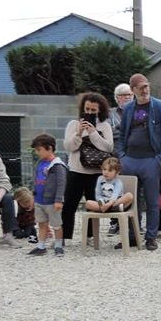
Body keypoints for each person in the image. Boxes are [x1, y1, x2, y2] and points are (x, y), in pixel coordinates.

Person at [117, 73, 161, 251]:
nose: (145, 90)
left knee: (152, 202)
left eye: (146, 86)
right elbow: (121, 135)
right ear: (133, 90)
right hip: (130, 160)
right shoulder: (128, 109)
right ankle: (132, 236)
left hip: (151, 160)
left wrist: (159, 161)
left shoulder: (160, 107)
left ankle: (151, 237)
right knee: (129, 202)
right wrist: (121, 156)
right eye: (141, 87)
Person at [62, 93, 114, 244]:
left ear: (100, 110)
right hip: (76, 171)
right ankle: (65, 236)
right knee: (69, 204)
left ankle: (90, 236)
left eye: (93, 110)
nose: (90, 113)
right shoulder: (73, 124)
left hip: (97, 172)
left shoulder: (105, 126)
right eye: (87, 109)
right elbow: (69, 147)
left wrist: (93, 133)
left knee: (94, 205)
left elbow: (108, 148)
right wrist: (79, 133)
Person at [26, 133, 68, 257]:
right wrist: (33, 196)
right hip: (39, 201)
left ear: (49, 148)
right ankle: (41, 246)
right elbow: (35, 180)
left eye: (39, 150)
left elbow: (61, 184)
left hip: (52, 202)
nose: (37, 152)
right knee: (42, 224)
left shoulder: (58, 166)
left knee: (56, 225)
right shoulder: (39, 163)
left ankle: (59, 245)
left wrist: (59, 200)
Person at [107, 82, 133, 237]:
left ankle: (132, 221)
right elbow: (109, 134)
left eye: (130, 95)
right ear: (117, 98)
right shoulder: (110, 114)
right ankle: (114, 222)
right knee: (112, 190)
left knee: (132, 189)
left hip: (134, 157)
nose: (128, 98)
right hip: (116, 158)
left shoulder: (137, 111)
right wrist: (125, 131)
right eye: (124, 95)